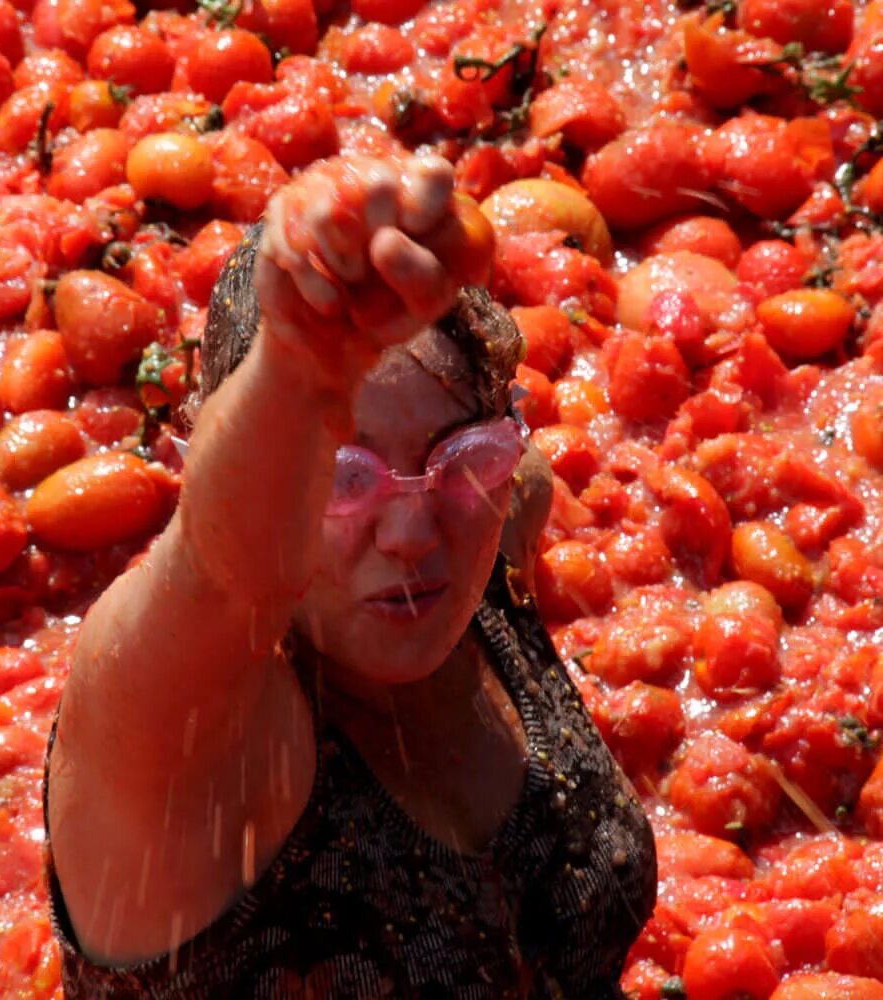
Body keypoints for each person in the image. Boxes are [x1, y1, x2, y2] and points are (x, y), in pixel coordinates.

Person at [44, 153, 657, 999]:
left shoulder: (497, 521)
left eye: (459, 459)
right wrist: (298, 368)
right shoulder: (186, 738)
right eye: (343, 476)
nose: (411, 532)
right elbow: (225, 571)